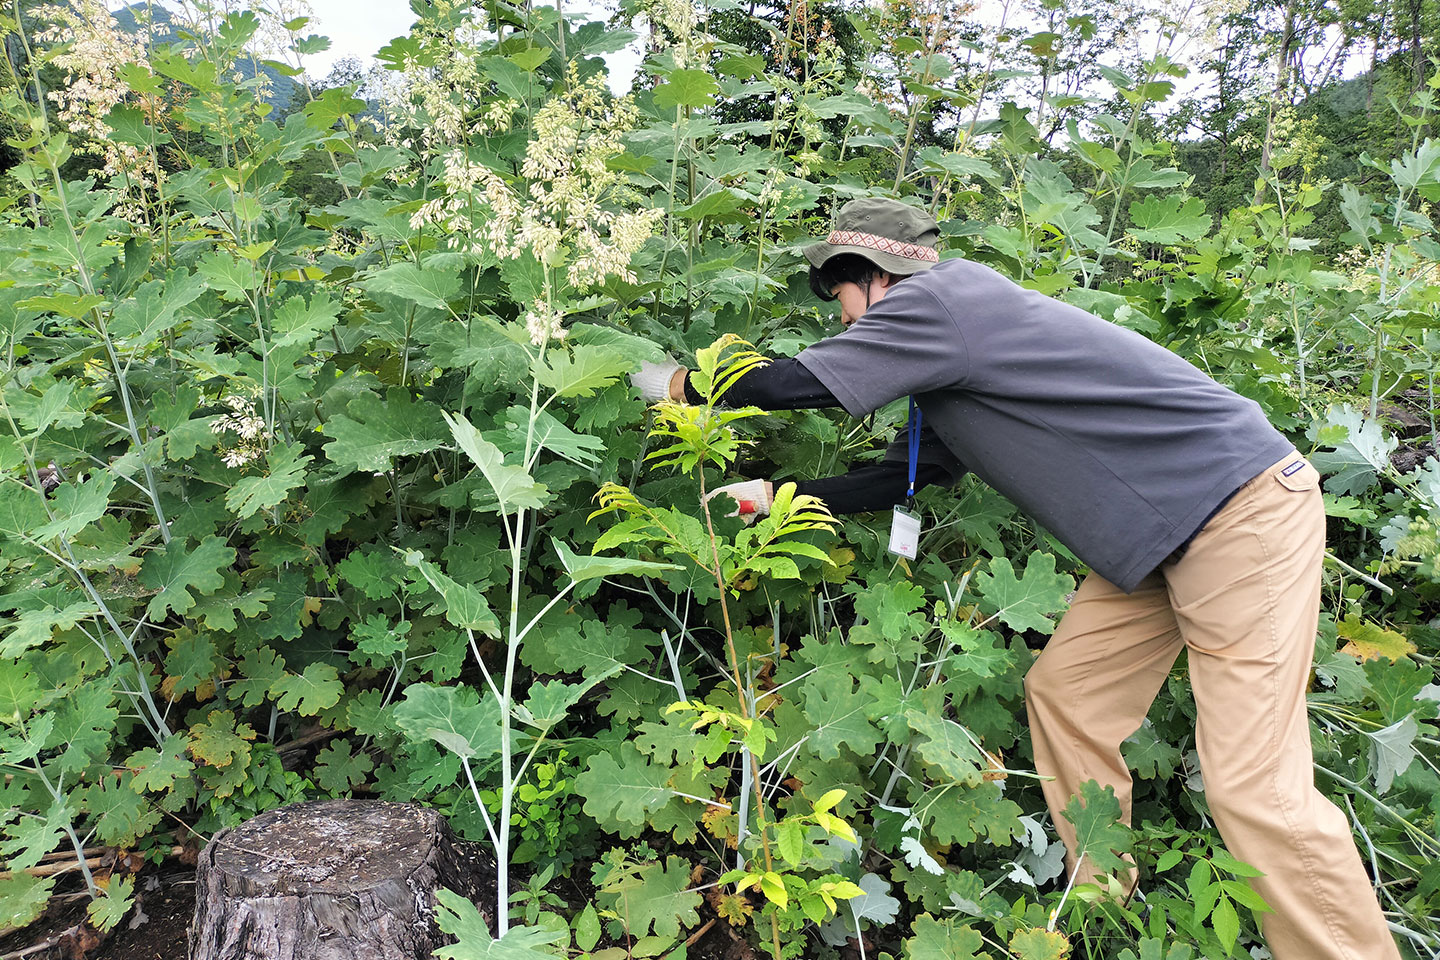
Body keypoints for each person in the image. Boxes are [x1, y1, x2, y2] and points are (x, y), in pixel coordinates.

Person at [628, 197, 1400, 960]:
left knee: (1254, 789)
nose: (840, 316)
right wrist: (776, 497)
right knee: (1069, 695)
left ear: (873, 273)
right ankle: (1101, 903)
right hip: (1159, 538)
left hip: (1237, 513)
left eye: (839, 293)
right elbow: (908, 475)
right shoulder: (949, 353)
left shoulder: (942, 298)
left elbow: (796, 384)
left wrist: (679, 386)